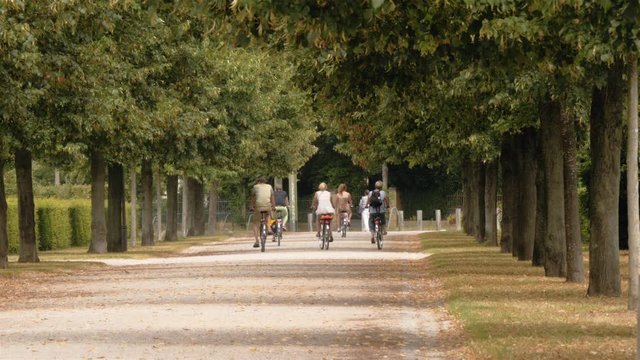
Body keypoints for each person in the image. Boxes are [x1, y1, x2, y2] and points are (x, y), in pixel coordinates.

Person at [250, 177, 275, 248]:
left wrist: (251, 207)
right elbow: (272, 197)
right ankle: (269, 228)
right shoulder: (269, 186)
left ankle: (257, 241)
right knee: (268, 216)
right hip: (267, 206)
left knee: (255, 223)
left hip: (258, 206)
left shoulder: (255, 187)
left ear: (258, 182)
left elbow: (252, 197)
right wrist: (273, 206)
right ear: (265, 182)